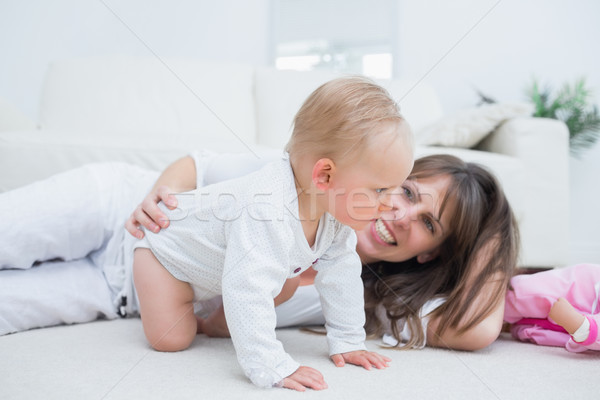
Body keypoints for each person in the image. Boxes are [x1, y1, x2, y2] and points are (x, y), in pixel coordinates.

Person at [130, 76, 413, 390]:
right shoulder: (267, 206)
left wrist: (347, 339)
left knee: (286, 284)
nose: (391, 203)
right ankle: (193, 313)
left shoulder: (333, 219)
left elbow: (341, 277)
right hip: (167, 255)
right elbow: (247, 288)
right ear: (325, 176)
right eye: (381, 189)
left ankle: (215, 324)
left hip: (217, 270)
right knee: (172, 339)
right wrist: (271, 365)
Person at [128, 152, 518, 352]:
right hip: (126, 212)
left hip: (126, 294)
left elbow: (475, 330)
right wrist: (155, 200)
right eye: (408, 192)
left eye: (429, 224)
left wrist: (493, 234)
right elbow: (197, 165)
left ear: (430, 255)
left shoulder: (363, 298)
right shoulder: (298, 180)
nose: (402, 216)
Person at [505, 263, 600, 353]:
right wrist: (580, 325)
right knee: (521, 291)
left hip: (574, 330)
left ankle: (506, 320)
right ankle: (498, 301)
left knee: (524, 329)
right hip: (583, 289)